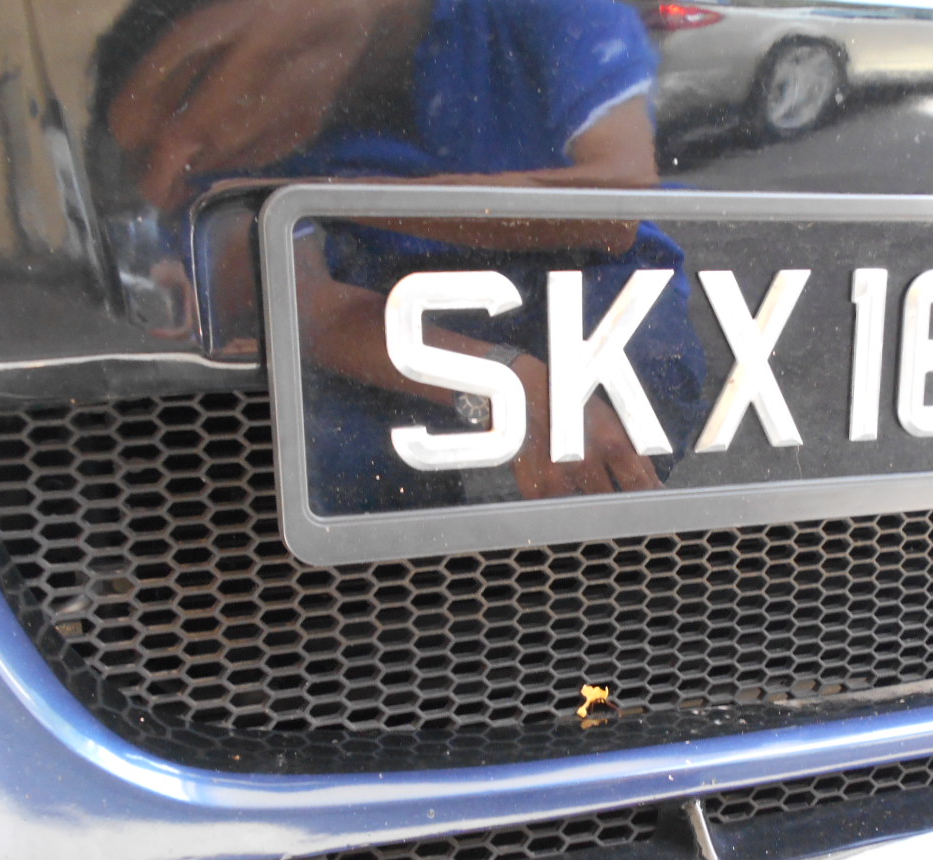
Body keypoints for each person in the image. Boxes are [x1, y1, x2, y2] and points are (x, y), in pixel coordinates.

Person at [101, 0, 707, 510]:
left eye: (195, 81)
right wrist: (503, 381)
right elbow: (305, 304)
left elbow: (612, 210)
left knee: (641, 383)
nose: (189, 150)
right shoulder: (236, 155)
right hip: (413, 335)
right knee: (342, 454)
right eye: (149, 155)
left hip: (601, 298)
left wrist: (310, 197)